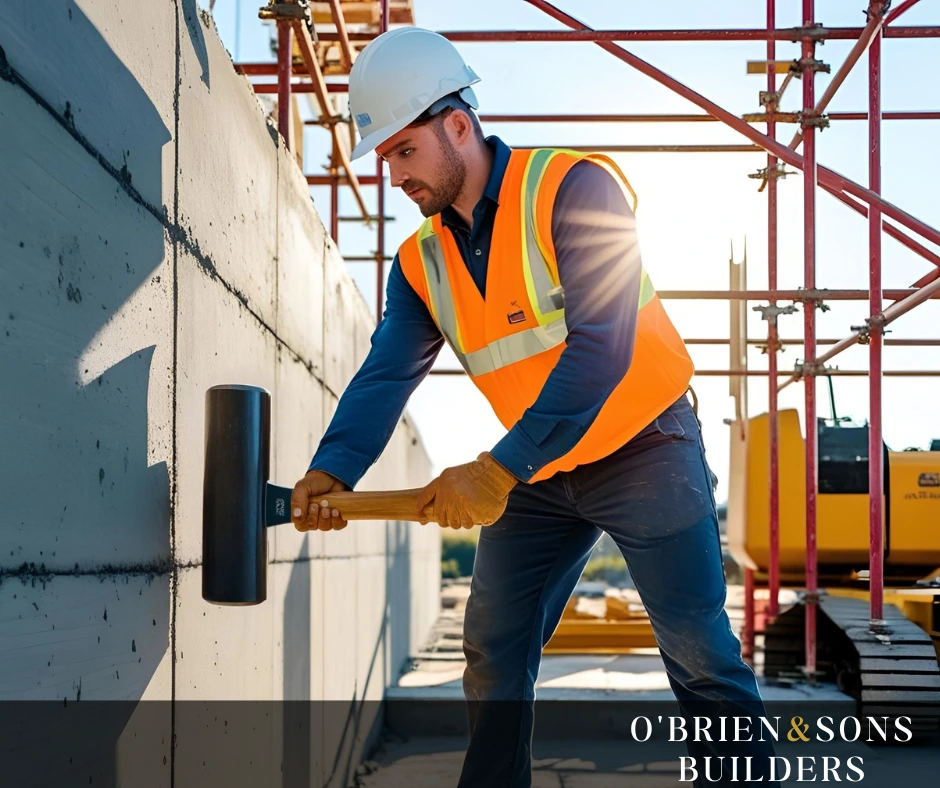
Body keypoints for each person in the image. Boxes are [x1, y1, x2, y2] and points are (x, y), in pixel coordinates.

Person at [291, 27, 776, 788]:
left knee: (698, 653)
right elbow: (388, 373)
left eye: (404, 152)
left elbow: (602, 348)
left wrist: (497, 467)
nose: (395, 177)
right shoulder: (421, 261)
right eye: (384, 160)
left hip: (645, 447)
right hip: (540, 469)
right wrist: (333, 468)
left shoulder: (573, 188)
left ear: (458, 125)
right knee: (492, 647)